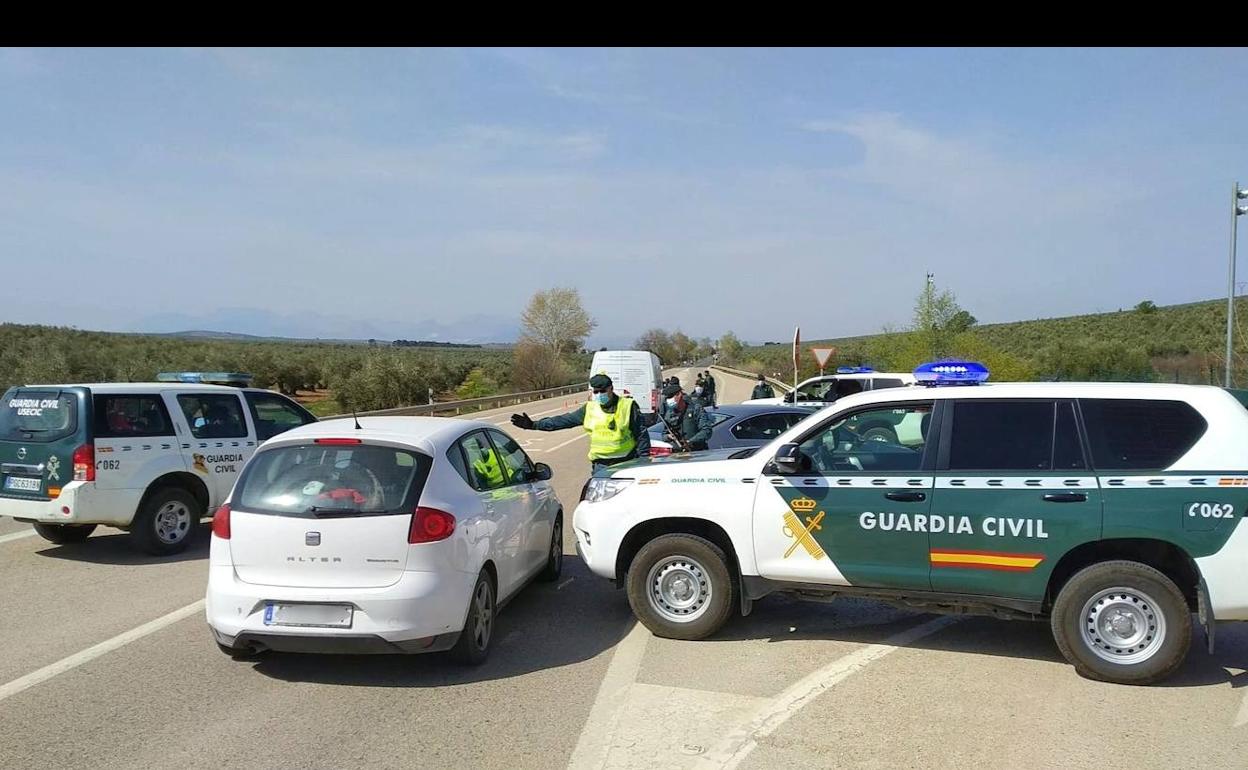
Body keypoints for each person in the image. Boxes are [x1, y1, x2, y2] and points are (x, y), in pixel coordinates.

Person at [511, 373, 650, 471]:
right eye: (596, 392)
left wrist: (643, 461)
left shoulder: (627, 406)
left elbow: (641, 434)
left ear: (611, 389)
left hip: (627, 461)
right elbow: (564, 421)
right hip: (601, 465)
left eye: (602, 391)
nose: (599, 395)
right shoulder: (590, 408)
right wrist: (534, 425)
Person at [658, 380, 712, 452]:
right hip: (678, 454)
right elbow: (664, 434)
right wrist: (668, 436)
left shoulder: (695, 409)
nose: (668, 400)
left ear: (679, 394)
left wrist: (690, 442)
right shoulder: (669, 413)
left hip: (697, 452)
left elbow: (707, 430)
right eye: (667, 397)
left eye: (671, 396)